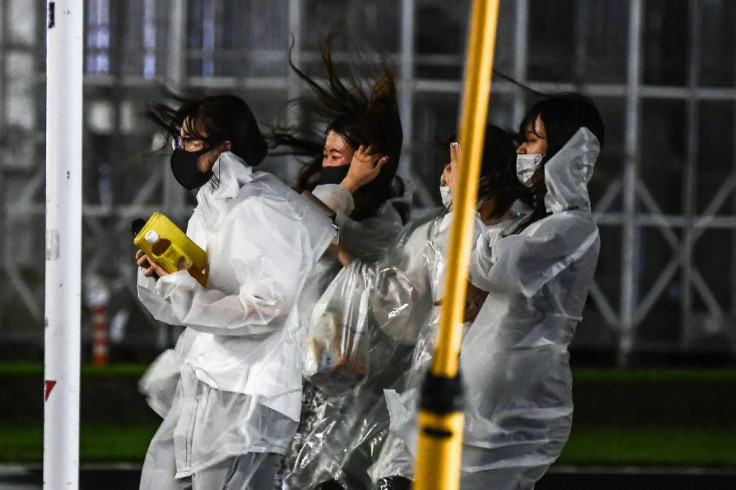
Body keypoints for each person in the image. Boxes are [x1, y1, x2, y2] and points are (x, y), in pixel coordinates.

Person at [374, 92, 604, 489]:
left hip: (513, 406)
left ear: (567, 150)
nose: (522, 149)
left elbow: (494, 267)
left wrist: (463, 207)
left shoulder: (571, 229)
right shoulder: (536, 225)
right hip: (477, 398)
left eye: (533, 140)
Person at [290, 125, 526, 490]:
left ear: (486, 175)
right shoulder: (435, 231)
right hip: (431, 384)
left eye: (453, 166)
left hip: (487, 387)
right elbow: (399, 300)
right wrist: (344, 252)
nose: (444, 177)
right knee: (397, 473)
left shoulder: (518, 237)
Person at [135, 94, 337, 489]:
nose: (181, 151)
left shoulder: (258, 207)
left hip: (245, 394)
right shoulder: (215, 205)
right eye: (180, 139)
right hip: (211, 381)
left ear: (224, 148)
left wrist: (183, 291)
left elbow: (268, 308)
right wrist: (164, 278)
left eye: (192, 142)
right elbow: (192, 293)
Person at [268, 33, 411, 488]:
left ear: (371, 166)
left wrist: (347, 192)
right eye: (326, 155)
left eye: (338, 157)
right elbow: (302, 233)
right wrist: (345, 185)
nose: (326, 165)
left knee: (321, 476)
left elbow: (374, 288)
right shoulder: (326, 203)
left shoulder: (383, 224)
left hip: (339, 381)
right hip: (287, 366)